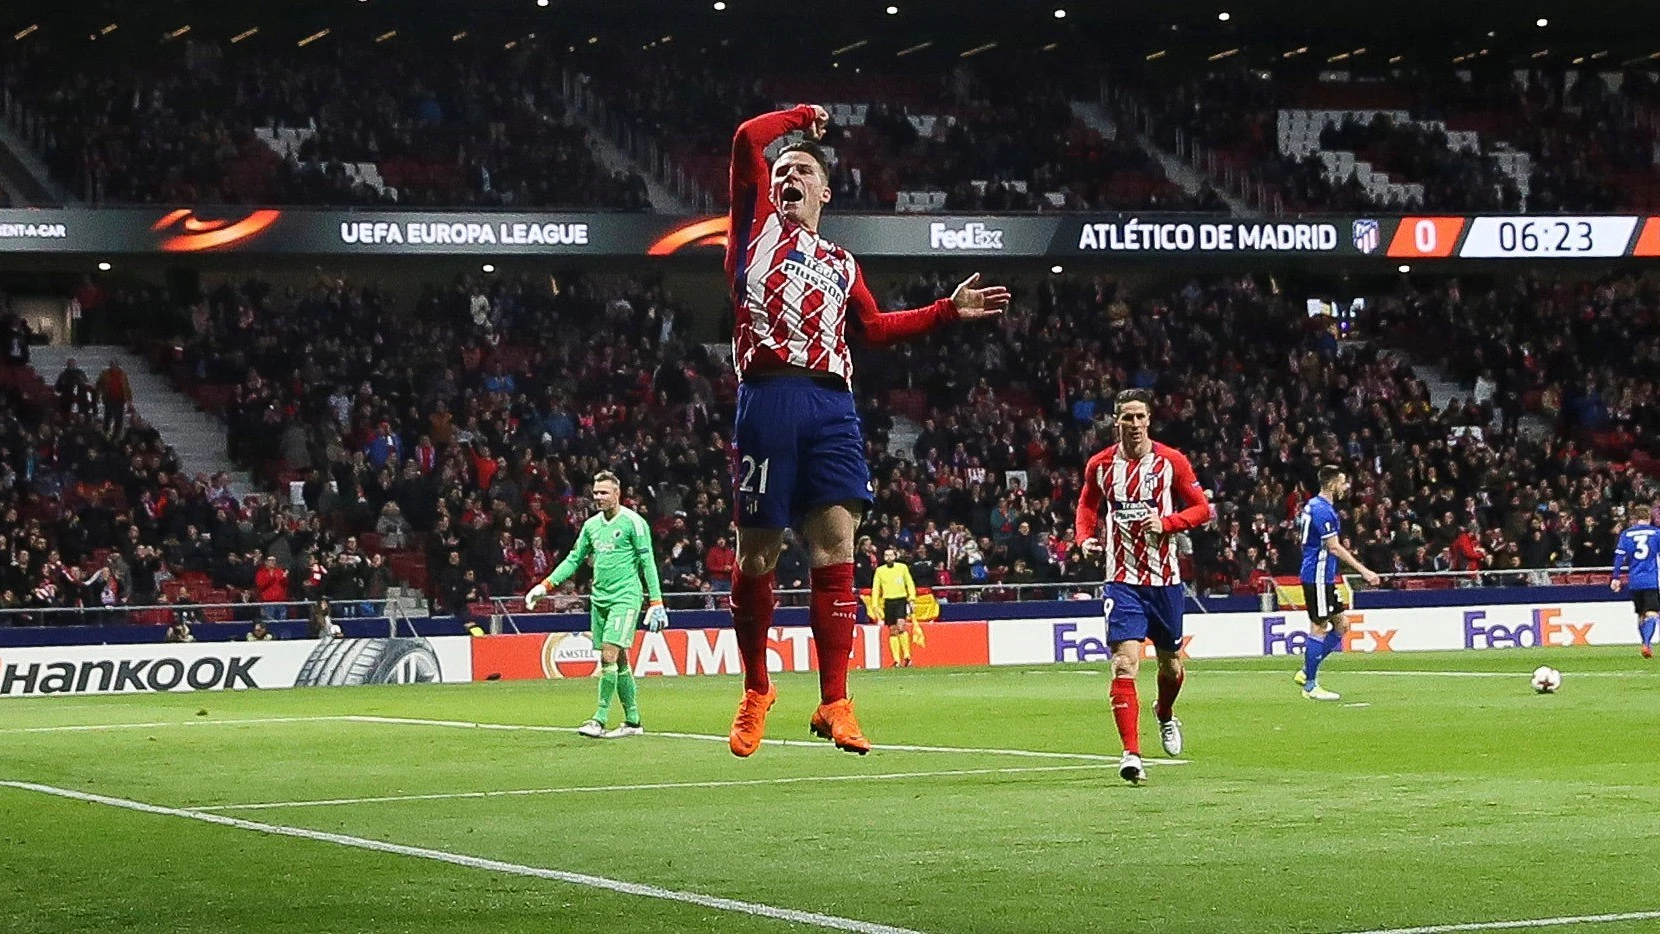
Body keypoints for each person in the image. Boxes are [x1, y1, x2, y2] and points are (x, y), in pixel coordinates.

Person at [722, 104, 1009, 757]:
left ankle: (835, 702)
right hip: (768, 396)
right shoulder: (753, 230)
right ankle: (758, 688)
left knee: (836, 554)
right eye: (783, 170)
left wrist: (945, 311)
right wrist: (797, 119)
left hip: (832, 406)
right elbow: (745, 141)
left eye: (803, 170)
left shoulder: (842, 263)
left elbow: (875, 329)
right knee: (757, 556)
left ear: (825, 191)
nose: (789, 175)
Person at [1075, 389, 1215, 784]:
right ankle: (1131, 754)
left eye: (1140, 417)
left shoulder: (1172, 462)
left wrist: (1168, 523)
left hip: (1164, 581)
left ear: (1149, 420)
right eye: (1126, 418)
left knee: (1171, 664)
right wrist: (1084, 537)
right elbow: (1086, 507)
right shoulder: (1100, 466)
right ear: (1115, 421)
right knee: (1124, 662)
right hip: (1122, 581)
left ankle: (1165, 714)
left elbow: (1202, 508)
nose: (1134, 425)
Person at [524, 471, 667, 739]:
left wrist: (656, 601)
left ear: (617, 493)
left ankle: (598, 719)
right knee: (620, 661)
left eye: (603, 492)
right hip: (599, 599)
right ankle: (633, 721)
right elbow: (574, 559)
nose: (598, 497)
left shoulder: (634, 523)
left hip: (625, 597)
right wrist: (545, 586)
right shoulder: (591, 526)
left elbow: (648, 563)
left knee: (608, 656)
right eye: (595, 493)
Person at [1294, 466, 1382, 701]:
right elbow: (1333, 546)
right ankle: (1311, 685)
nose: (1346, 487)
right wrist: (1364, 571)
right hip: (1318, 576)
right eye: (1343, 483)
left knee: (1342, 625)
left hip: (1324, 575)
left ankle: (1306, 671)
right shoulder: (1323, 511)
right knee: (1319, 626)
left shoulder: (1312, 505)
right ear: (1332, 484)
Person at [1610, 504, 1660, 659]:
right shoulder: (1656, 533)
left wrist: (1616, 577)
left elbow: (1619, 556)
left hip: (1635, 581)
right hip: (1651, 580)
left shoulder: (1626, 534)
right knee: (1652, 613)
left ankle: (1645, 644)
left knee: (1641, 615)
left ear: (1634, 519)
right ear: (1649, 518)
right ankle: (1646, 643)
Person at [872, 546, 917, 667]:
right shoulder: (880, 571)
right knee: (892, 630)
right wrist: (875, 604)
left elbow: (910, 583)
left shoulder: (902, 568)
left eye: (891, 555)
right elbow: (876, 588)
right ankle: (896, 660)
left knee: (901, 626)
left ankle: (907, 656)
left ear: (895, 556)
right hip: (888, 601)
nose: (889, 557)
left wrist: (912, 598)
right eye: (886, 555)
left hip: (900, 600)